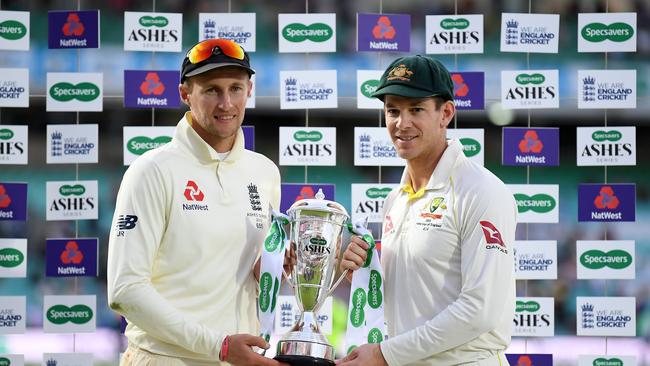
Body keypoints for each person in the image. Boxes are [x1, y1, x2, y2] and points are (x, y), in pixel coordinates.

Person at [107, 39, 287, 366]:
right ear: (185, 94)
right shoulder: (151, 171)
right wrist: (218, 345)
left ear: (250, 90)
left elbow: (242, 268)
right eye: (211, 90)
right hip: (164, 359)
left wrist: (276, 267)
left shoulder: (264, 172)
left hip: (237, 359)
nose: (226, 103)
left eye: (235, 88)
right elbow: (125, 290)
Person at [338, 55, 517, 366]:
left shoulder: (482, 191)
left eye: (416, 109)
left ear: (445, 113)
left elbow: (480, 310)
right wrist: (366, 279)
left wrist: (385, 354)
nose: (402, 123)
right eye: (393, 110)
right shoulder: (395, 199)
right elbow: (415, 302)